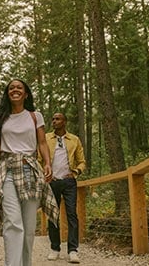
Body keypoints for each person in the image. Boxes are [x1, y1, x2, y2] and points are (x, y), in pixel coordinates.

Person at [0, 78, 59, 266]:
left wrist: (47, 163)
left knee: (28, 227)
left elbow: (42, 142)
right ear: (7, 93)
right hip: (8, 170)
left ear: (26, 93)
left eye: (19, 87)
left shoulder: (36, 116)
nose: (15, 90)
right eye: (11, 88)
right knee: (13, 222)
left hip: (31, 170)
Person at [45, 112, 86, 263]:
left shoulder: (74, 140)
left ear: (65, 122)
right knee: (52, 215)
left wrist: (75, 172)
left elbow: (82, 161)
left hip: (69, 182)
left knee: (71, 214)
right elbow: (38, 159)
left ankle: (73, 250)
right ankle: (55, 248)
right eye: (53, 119)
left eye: (58, 119)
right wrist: (46, 174)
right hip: (52, 181)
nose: (54, 121)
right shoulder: (46, 139)